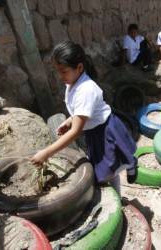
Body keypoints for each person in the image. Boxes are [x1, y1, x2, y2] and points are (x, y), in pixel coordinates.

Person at [30, 41, 137, 194]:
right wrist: (70, 119)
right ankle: (125, 170)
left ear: (79, 67)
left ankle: (122, 187)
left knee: (108, 170)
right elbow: (78, 110)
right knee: (108, 166)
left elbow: (75, 132)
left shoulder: (86, 90)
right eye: (57, 71)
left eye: (63, 71)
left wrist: (47, 153)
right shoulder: (72, 82)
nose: (60, 76)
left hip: (105, 130)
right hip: (94, 131)